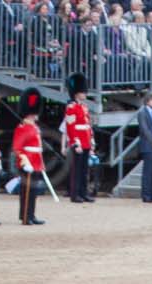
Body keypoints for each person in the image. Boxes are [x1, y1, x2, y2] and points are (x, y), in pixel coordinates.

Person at [63, 75, 94, 204]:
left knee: (84, 169)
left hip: (86, 140)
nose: (85, 94)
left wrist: (91, 141)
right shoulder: (71, 108)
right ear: (76, 94)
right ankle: (75, 194)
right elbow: (71, 127)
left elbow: (88, 125)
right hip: (78, 142)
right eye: (82, 92)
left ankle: (83, 192)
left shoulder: (84, 107)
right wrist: (76, 142)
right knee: (77, 169)